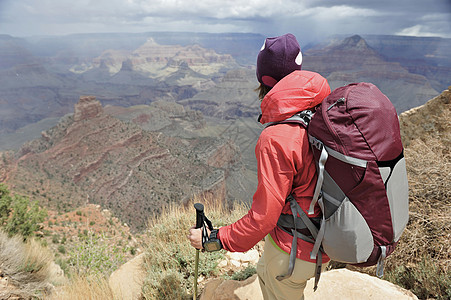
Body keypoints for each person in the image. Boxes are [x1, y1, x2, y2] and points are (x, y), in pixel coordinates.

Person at [188, 33, 331, 300]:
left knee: (273, 278)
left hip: (296, 247)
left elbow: (264, 216)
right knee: (265, 271)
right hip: (327, 234)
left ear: (265, 80)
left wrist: (217, 238)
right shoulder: (323, 107)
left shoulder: (276, 137)